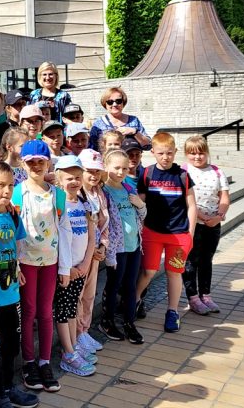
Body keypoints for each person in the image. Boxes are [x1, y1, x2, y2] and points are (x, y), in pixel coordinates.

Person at [11, 139, 67, 392]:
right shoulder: (17, 192)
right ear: (23, 163)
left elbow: (62, 230)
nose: (35, 166)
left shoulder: (58, 194)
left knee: (46, 312)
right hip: (26, 260)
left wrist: (64, 266)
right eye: (30, 161)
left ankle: (45, 361)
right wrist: (16, 265)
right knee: (29, 311)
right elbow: (12, 230)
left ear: (48, 163)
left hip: (51, 261)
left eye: (40, 162)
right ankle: (29, 362)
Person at [0, 162, 39, 408]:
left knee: (10, 347)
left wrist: (16, 267)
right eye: (1, 185)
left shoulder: (12, 214)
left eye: (10, 185)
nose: (7, 191)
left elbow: (16, 246)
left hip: (11, 295)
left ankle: (8, 387)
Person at [135, 132, 197, 333]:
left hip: (178, 235)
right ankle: (134, 300)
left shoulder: (182, 175)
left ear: (175, 152)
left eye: (169, 153)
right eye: (161, 153)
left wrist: (191, 233)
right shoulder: (147, 174)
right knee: (149, 271)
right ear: (152, 152)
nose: (165, 157)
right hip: (152, 231)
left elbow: (192, 205)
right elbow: (141, 203)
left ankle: (172, 311)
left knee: (174, 272)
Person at [53, 156, 96, 377]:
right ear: (59, 179)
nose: (74, 181)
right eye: (69, 178)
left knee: (72, 308)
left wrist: (87, 261)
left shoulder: (83, 202)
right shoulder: (58, 203)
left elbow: (91, 236)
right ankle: (68, 352)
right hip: (66, 270)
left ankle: (73, 346)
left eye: (78, 177)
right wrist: (67, 267)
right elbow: (57, 238)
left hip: (81, 266)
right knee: (64, 310)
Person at [100, 149, 147, 345]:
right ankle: (108, 320)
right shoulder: (104, 191)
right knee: (114, 285)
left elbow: (141, 216)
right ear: (106, 167)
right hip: (116, 249)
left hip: (134, 245)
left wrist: (141, 205)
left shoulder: (128, 188)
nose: (121, 172)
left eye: (125, 168)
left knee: (130, 286)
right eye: (116, 168)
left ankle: (129, 322)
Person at [182, 135, 230, 315]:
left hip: (213, 224)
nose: (197, 157)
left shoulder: (216, 172)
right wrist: (199, 215)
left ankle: (206, 295)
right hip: (193, 223)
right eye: (192, 153)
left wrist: (219, 215)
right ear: (186, 154)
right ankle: (193, 297)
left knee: (206, 260)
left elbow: (224, 196)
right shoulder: (183, 171)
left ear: (207, 153)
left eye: (201, 153)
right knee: (191, 261)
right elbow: (183, 199)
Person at [75, 149, 108, 355]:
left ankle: (85, 330)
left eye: (97, 171)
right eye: (89, 171)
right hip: (80, 254)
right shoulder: (76, 195)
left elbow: (105, 224)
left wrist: (103, 246)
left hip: (94, 253)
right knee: (77, 296)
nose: (94, 176)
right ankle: (77, 332)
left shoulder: (99, 194)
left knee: (89, 295)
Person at [89, 87, 151, 152]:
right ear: (105, 104)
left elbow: (148, 145)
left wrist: (134, 132)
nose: (115, 104)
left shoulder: (134, 121)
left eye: (118, 101)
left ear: (123, 102)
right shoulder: (98, 124)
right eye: (110, 102)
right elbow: (93, 149)